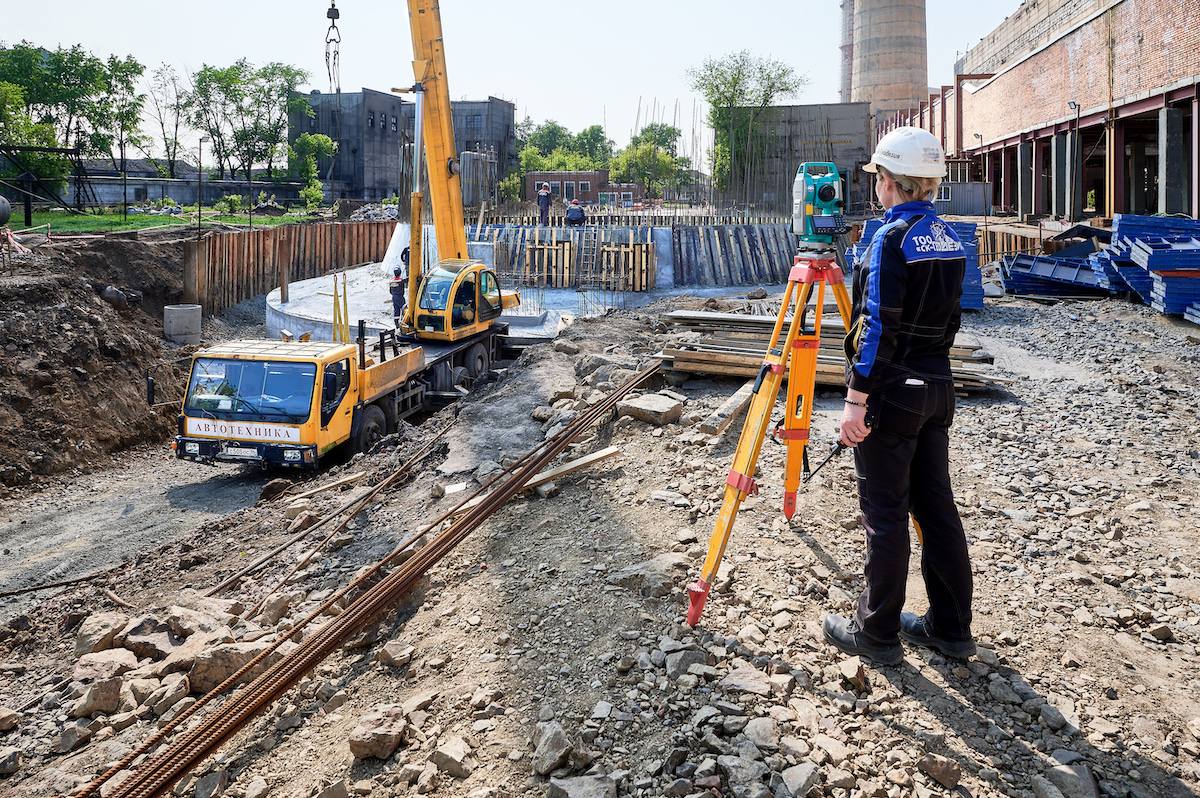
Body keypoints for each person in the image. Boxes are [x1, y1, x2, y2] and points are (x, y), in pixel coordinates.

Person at [823, 126, 975, 666]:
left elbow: (875, 326)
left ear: (890, 180)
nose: (877, 187)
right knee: (937, 510)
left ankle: (877, 632)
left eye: (879, 178)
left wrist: (857, 399)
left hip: (894, 392)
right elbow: (950, 318)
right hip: (937, 387)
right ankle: (951, 629)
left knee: (885, 515)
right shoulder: (950, 238)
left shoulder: (890, 239)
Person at [389, 257, 408, 326]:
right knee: (404, 309)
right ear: (400, 272)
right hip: (400, 297)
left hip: (394, 297)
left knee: (396, 310)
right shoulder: (401, 280)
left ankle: (396, 323)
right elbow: (407, 281)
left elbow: (390, 291)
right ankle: (405, 322)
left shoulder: (392, 281)